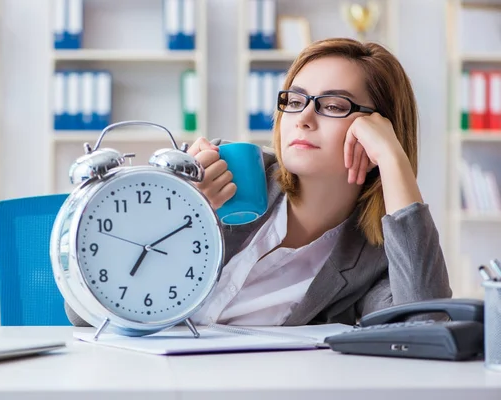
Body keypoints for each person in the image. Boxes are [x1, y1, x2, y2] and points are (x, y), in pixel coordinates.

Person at [65, 37, 452, 327]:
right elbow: (84, 313)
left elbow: (426, 329)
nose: (303, 118)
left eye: (333, 106)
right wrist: (183, 212)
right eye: (294, 100)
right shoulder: (226, 175)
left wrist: (393, 161)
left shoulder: (373, 258)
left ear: (377, 129)